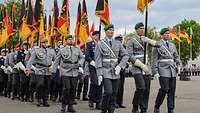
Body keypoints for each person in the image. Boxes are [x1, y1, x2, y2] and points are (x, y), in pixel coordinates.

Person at [126, 22, 161, 113]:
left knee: (147, 90)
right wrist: (141, 65)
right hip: (137, 67)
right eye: (140, 28)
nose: (142, 30)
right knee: (141, 87)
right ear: (136, 29)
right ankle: (135, 106)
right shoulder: (131, 40)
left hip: (147, 67)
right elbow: (129, 55)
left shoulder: (145, 40)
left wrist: (149, 40)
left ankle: (144, 108)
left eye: (143, 28)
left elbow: (159, 45)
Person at [95, 24, 129, 113]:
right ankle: (104, 110)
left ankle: (111, 111)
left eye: (113, 30)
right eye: (110, 30)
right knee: (108, 92)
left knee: (114, 94)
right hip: (105, 71)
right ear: (106, 31)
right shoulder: (100, 44)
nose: (111, 31)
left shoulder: (118, 43)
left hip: (116, 72)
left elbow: (126, 55)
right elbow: (98, 59)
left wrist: (120, 66)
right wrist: (99, 73)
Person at [51, 35, 84, 112]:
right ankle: (64, 104)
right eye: (69, 39)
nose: (71, 40)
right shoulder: (62, 50)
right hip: (65, 71)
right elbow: (57, 60)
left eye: (72, 39)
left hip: (74, 71)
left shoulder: (77, 49)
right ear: (66, 41)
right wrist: (53, 71)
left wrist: (79, 64)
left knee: (73, 89)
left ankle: (70, 105)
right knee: (67, 88)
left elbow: (82, 57)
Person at [152, 28, 181, 113]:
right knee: (164, 89)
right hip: (163, 69)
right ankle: (157, 105)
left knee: (172, 90)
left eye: (168, 33)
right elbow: (154, 59)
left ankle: (171, 109)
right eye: (165, 33)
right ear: (162, 35)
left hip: (172, 70)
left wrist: (178, 64)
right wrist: (155, 72)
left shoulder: (172, 45)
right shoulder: (157, 45)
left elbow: (176, 56)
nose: (167, 35)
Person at [26, 38, 56, 107]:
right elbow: (30, 60)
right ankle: (38, 99)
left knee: (47, 85)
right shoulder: (37, 51)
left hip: (48, 70)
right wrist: (28, 69)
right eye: (43, 43)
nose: (45, 44)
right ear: (41, 43)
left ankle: (45, 100)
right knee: (40, 84)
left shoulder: (51, 51)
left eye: (46, 43)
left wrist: (53, 66)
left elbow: (55, 60)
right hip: (39, 69)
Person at [85, 31, 102, 109]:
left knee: (100, 84)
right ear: (93, 36)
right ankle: (91, 99)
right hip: (93, 66)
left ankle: (98, 102)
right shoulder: (89, 44)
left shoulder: (102, 43)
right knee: (95, 82)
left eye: (98, 35)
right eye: (95, 35)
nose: (96, 36)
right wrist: (92, 62)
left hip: (101, 66)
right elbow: (87, 55)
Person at [114, 35, 127, 108]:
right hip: (116, 68)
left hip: (122, 69)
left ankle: (120, 102)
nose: (120, 41)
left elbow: (126, 56)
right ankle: (114, 102)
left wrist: (126, 64)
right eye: (119, 40)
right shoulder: (113, 47)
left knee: (121, 86)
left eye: (121, 40)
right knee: (116, 86)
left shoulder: (124, 47)